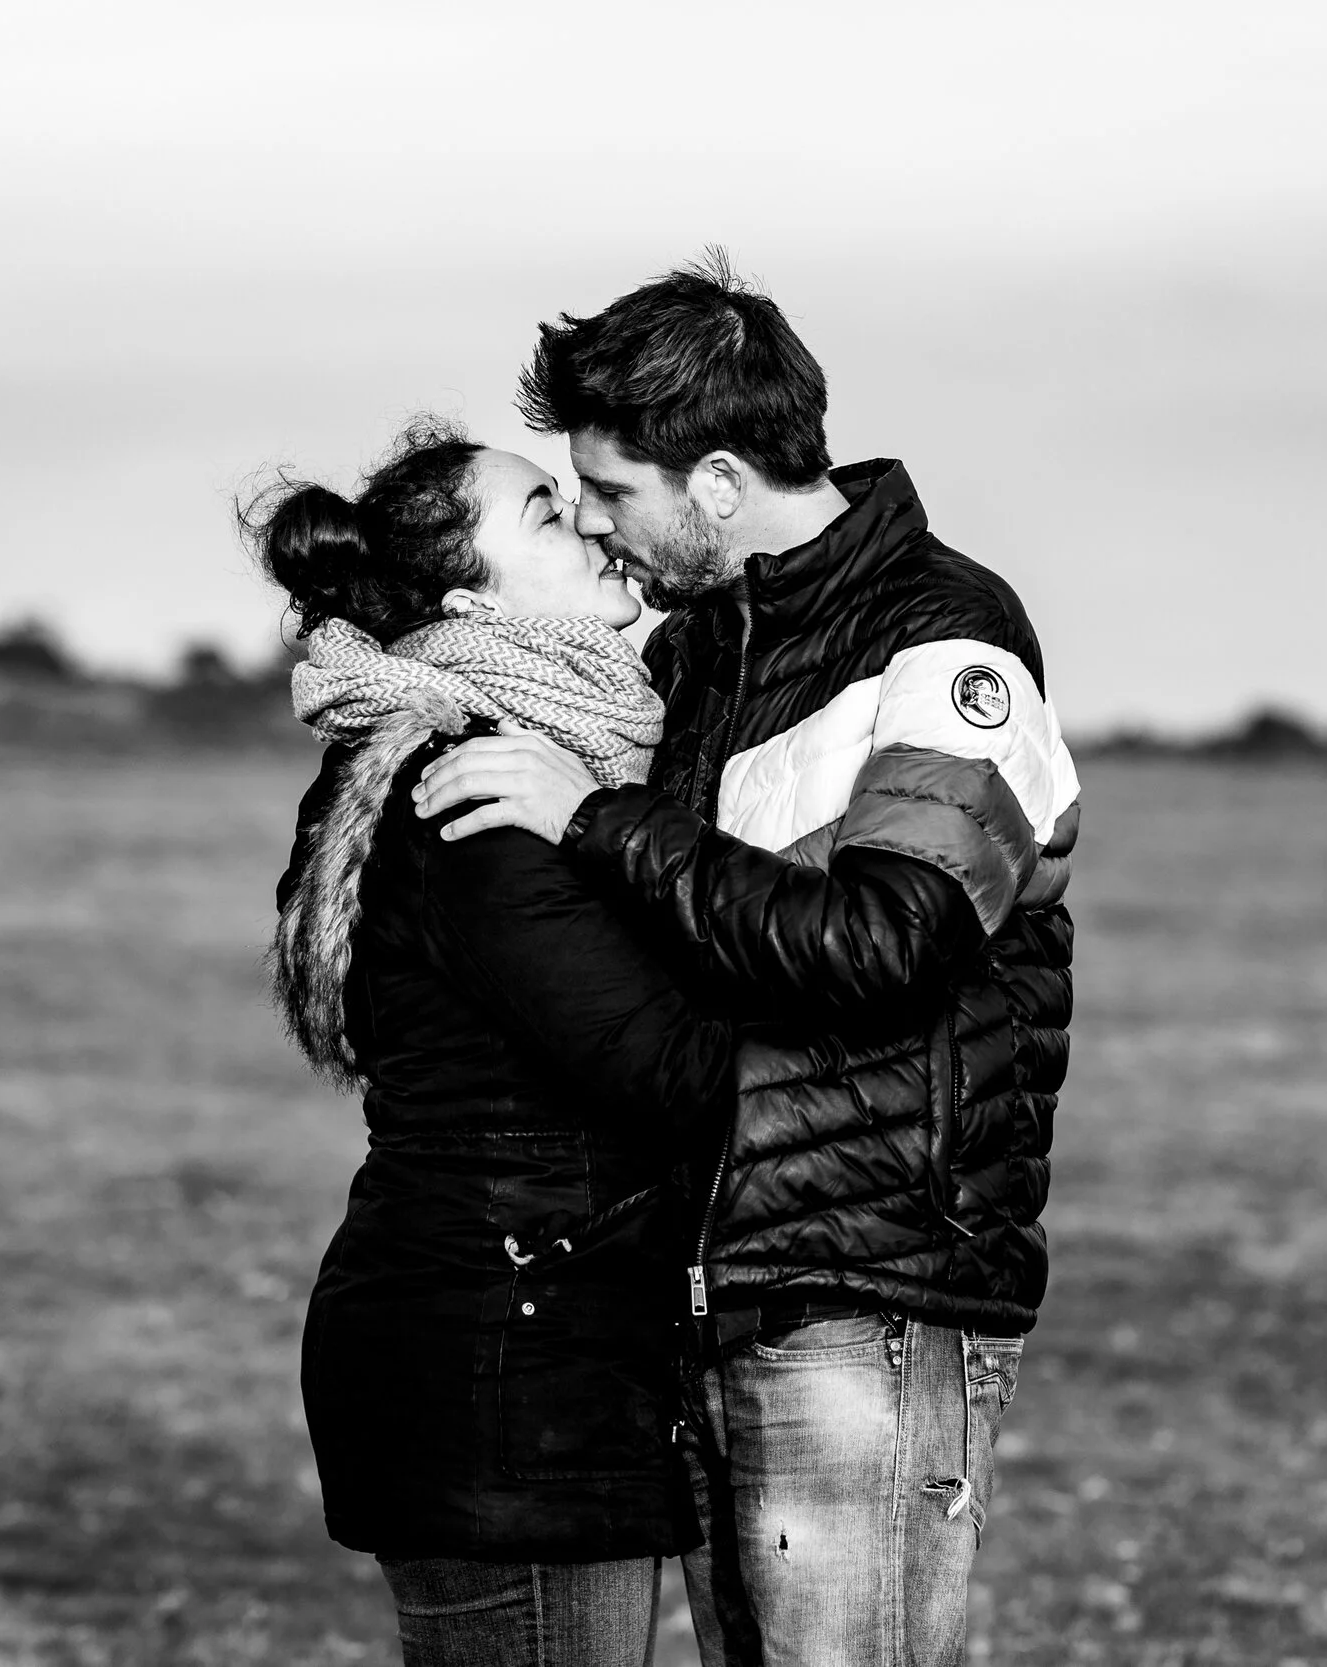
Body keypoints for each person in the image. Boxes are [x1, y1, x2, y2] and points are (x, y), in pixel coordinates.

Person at [411, 255, 1080, 1667]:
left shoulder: (946, 641)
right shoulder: (703, 653)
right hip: (719, 1281)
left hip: (874, 1292)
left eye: (609, 490)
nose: (591, 525)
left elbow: (889, 945)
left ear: (715, 481)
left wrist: (593, 821)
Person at [250, 416, 731, 1667]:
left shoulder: (498, 757)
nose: (582, 517)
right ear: (470, 592)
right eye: (539, 512)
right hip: (509, 1364)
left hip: (517, 1339)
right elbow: (672, 1071)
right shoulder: (482, 795)